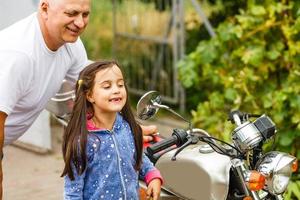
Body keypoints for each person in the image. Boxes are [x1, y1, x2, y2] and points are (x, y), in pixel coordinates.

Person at [0, 0, 157, 198]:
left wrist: (121, 131)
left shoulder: (70, 45)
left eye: (85, 14)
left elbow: (92, 93)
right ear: (45, 8)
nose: (80, 23)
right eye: (72, 13)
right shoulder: (18, 55)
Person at [61, 60, 163, 200]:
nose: (116, 90)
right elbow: (73, 191)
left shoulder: (128, 127)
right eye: (107, 86)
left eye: (120, 84)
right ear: (89, 95)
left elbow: (138, 158)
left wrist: (152, 176)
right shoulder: (83, 140)